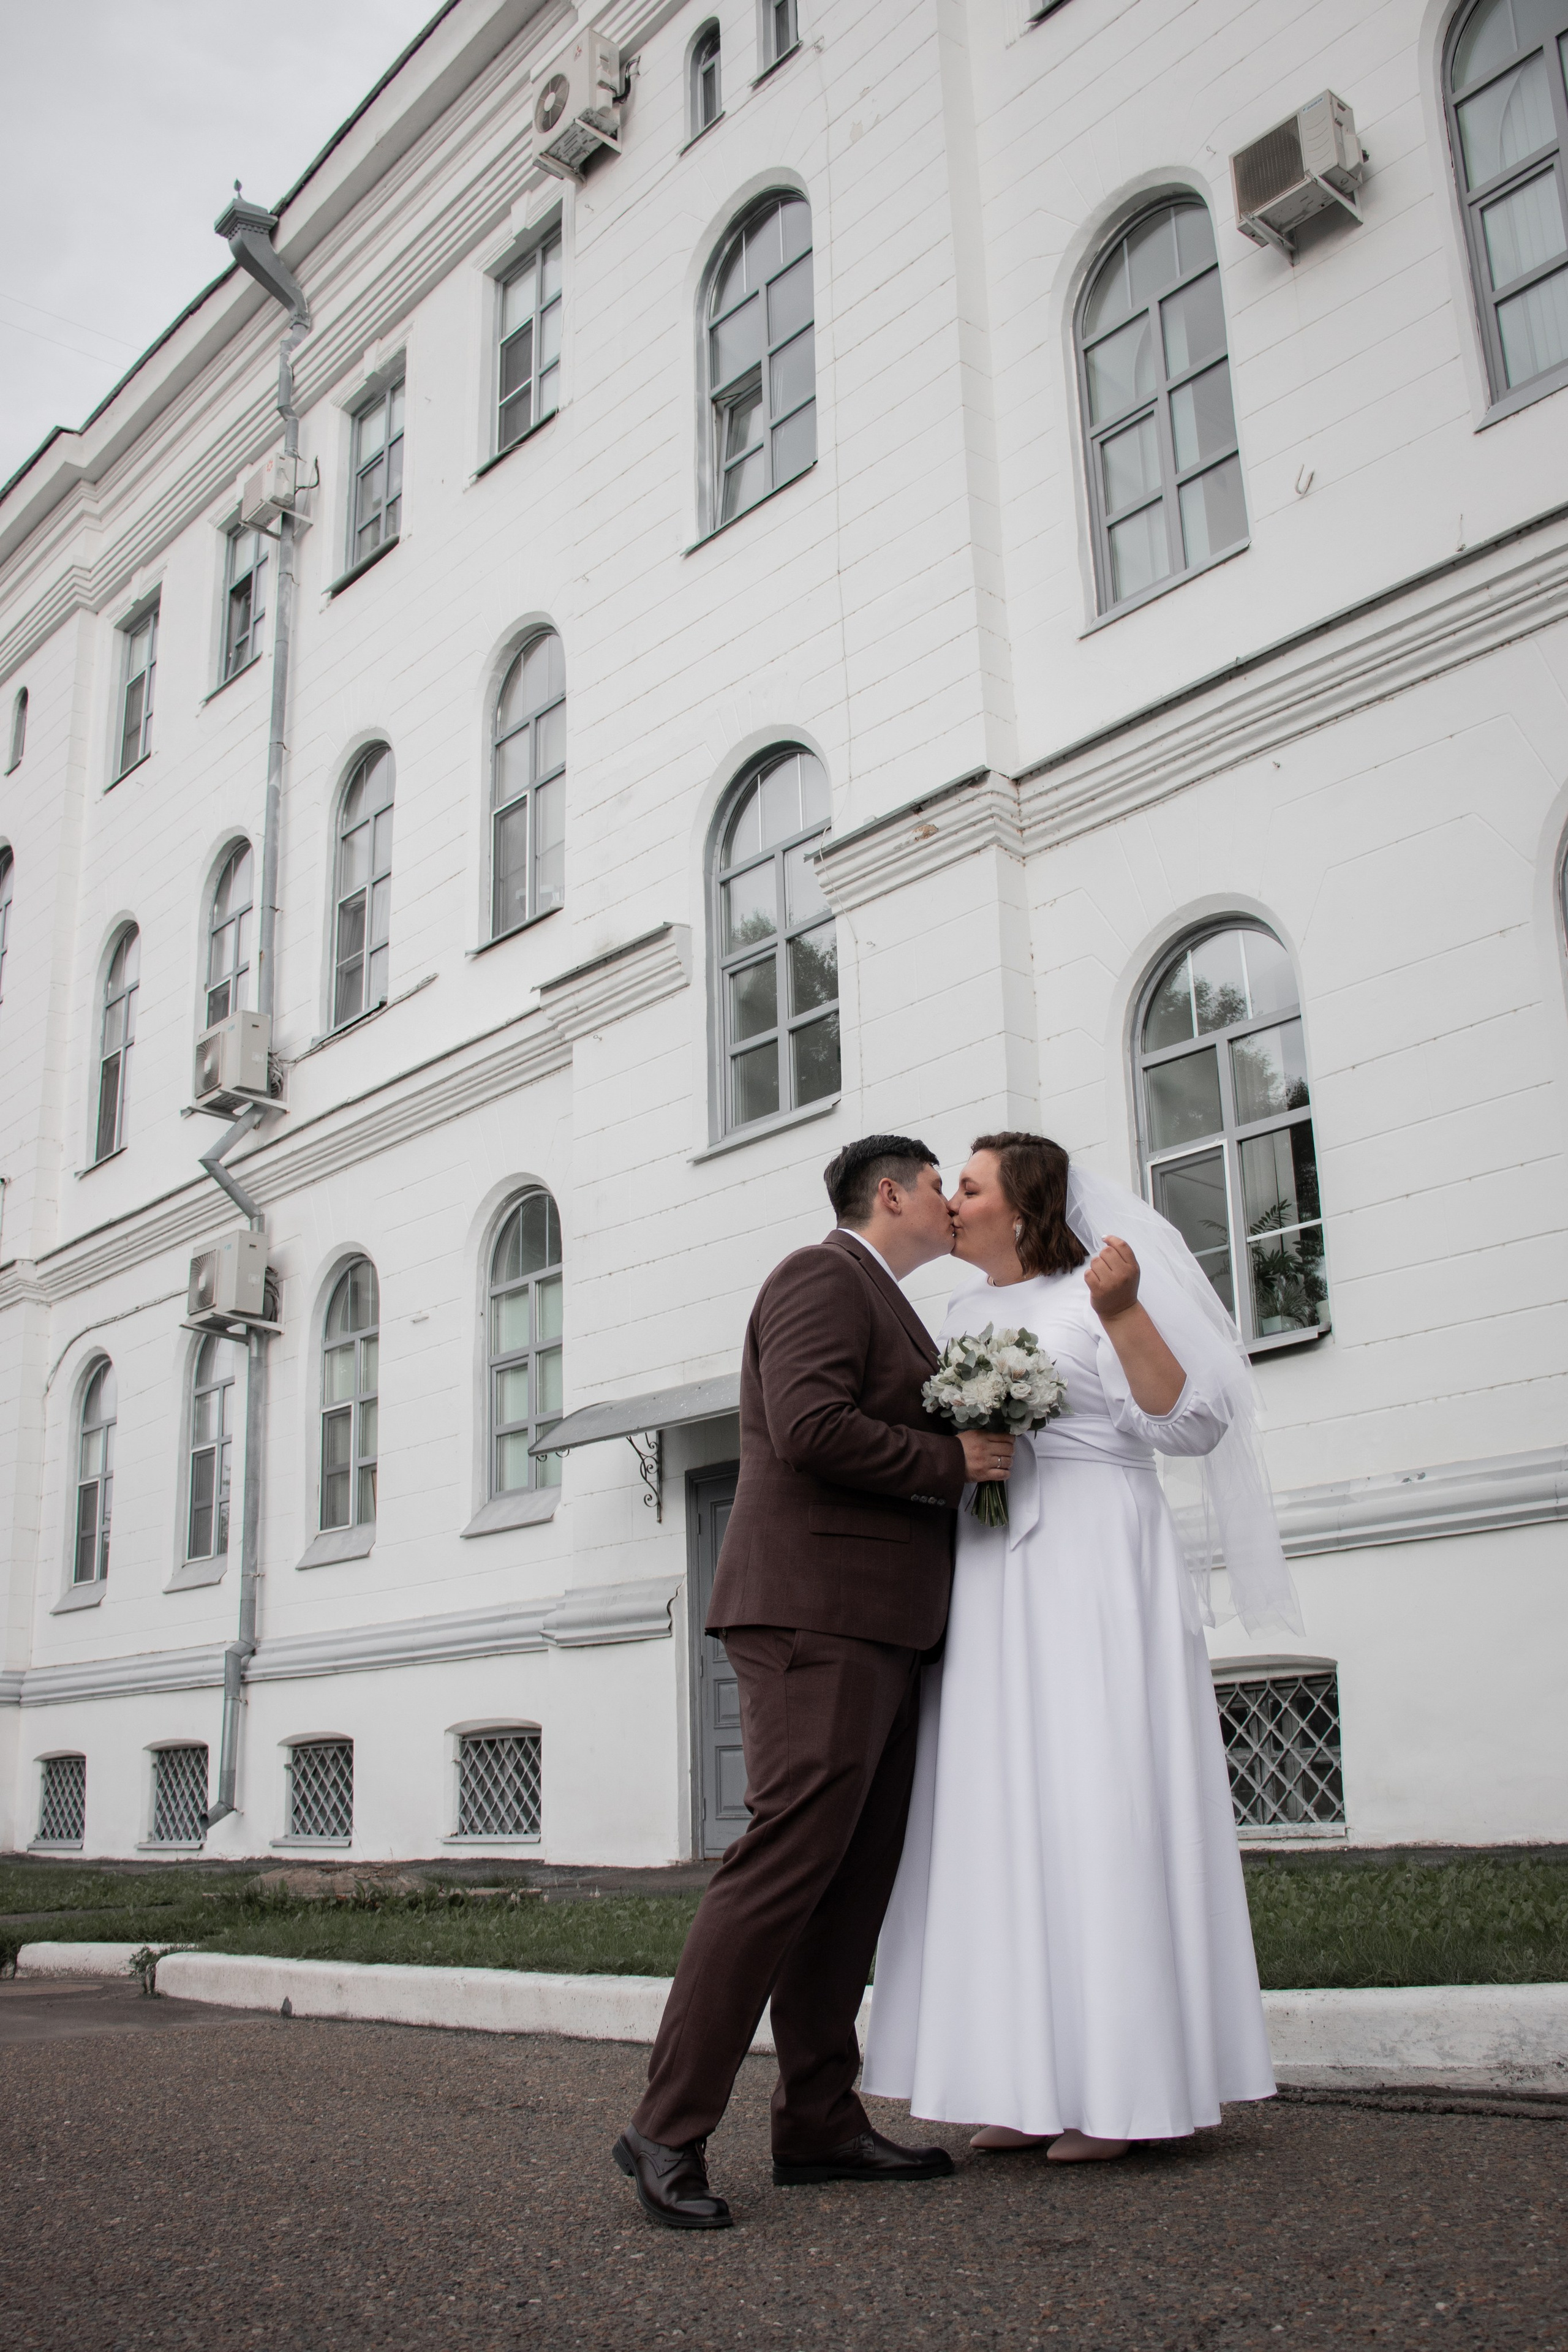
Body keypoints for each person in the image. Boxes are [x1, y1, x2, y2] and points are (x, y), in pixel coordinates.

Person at [864, 1131, 1300, 2159]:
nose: (951, 1202)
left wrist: (1120, 1312)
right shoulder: (965, 1314)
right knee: (1005, 1811)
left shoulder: (1090, 1297)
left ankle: (1122, 2090)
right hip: (998, 1567)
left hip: (1097, 1560)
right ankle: (1025, 2084)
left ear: (1022, 1210)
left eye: (968, 1188)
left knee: (1096, 1799)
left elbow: (1190, 1426)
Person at [614, 1134, 1015, 2228]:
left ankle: (820, 2122)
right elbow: (809, 1425)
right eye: (939, 1183)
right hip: (812, 1615)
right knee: (781, 1868)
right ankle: (666, 2127)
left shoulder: (891, 1302)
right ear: (892, 1193)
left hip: (883, 1624)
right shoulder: (819, 1275)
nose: (950, 1200)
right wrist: (956, 1463)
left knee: (850, 1885)